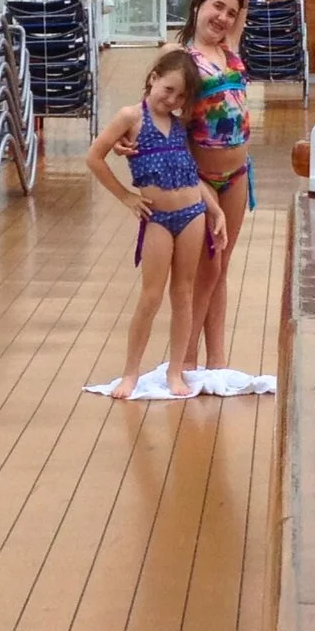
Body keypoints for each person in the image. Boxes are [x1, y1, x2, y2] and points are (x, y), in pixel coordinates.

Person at [177, 0, 279, 371]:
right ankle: (186, 358)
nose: (223, 17)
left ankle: (216, 359)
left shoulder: (228, 49)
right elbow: (157, 117)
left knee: (220, 267)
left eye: (231, 13)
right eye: (216, 8)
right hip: (198, 179)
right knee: (205, 268)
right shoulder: (180, 58)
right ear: (198, 6)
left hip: (236, 176)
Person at [85, 48, 218, 399]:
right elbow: (95, 157)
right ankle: (130, 373)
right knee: (151, 296)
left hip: (193, 214)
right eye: (167, 89)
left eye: (180, 96)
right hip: (157, 218)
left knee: (183, 293)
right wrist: (126, 197)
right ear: (153, 78)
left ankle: (176, 371)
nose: (171, 100)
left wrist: (214, 209)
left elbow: (190, 173)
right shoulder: (131, 117)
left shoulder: (179, 125)